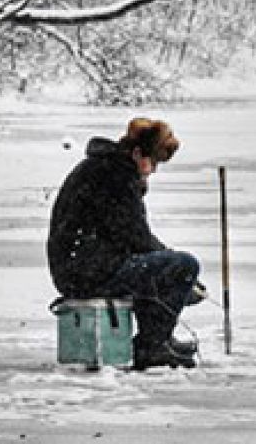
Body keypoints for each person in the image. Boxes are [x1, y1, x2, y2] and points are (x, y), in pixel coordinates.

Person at [48, 117, 204, 370]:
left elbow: (132, 237)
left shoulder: (104, 168)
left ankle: (158, 339)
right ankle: (152, 347)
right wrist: (182, 275)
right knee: (183, 266)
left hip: (81, 267)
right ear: (137, 153)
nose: (153, 170)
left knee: (156, 266)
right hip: (86, 272)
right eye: (152, 162)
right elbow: (136, 237)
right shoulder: (114, 177)